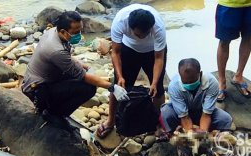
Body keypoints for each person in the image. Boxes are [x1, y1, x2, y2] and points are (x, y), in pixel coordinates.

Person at [22, 11, 129, 131]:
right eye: (76, 32)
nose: (79, 35)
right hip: (38, 90)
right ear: (63, 31)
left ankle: (54, 108)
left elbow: (67, 58)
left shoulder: (53, 32)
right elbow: (83, 76)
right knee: (88, 88)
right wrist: (112, 87)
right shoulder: (55, 50)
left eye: (80, 30)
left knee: (83, 80)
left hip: (48, 78)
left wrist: (83, 65)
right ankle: (53, 113)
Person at [97, 4, 167, 138]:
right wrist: (120, 75)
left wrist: (154, 82)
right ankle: (111, 120)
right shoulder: (120, 21)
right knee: (118, 86)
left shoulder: (158, 28)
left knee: (157, 88)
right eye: (138, 34)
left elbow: (159, 58)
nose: (141, 37)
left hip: (152, 52)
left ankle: (158, 124)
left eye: (145, 34)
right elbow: (115, 52)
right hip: (129, 49)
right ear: (130, 27)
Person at [160, 58, 232, 134]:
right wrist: (191, 134)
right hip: (180, 115)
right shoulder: (174, 86)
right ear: (180, 75)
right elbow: (184, 117)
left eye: (191, 81)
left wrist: (202, 133)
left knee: (225, 119)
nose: (188, 84)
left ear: (200, 74)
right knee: (166, 112)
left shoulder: (211, 82)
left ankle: (212, 134)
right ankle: (172, 133)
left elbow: (206, 114)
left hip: (202, 111)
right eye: (185, 82)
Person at [215, 0, 251, 101]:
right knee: (224, 41)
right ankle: (221, 80)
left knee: (248, 36)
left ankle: (239, 75)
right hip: (229, 3)